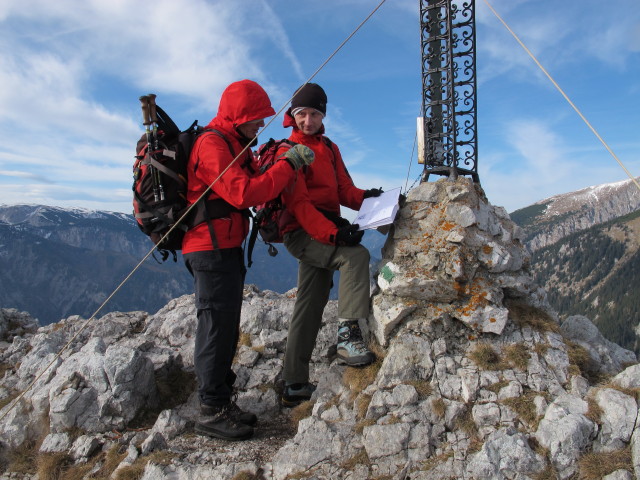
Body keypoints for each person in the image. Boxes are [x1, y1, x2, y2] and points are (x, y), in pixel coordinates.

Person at [182, 79, 314, 440]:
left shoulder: (232, 144)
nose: (261, 124)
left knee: (224, 327)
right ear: (238, 116)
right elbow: (244, 194)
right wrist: (287, 165)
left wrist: (278, 163)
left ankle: (222, 401)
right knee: (215, 325)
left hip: (222, 246)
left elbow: (251, 184)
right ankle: (211, 409)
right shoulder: (212, 144)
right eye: (256, 118)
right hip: (209, 250)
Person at [278, 83, 383, 407]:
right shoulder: (289, 150)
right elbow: (300, 206)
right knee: (355, 257)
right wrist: (335, 236)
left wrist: (368, 198)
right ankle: (348, 337)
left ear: (323, 114)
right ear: (293, 115)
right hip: (301, 231)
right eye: (302, 114)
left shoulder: (329, 147)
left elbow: (343, 190)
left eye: (314, 113)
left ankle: (293, 383)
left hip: (323, 228)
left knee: (309, 303)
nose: (307, 121)